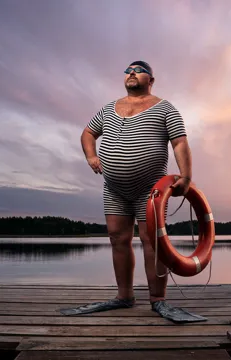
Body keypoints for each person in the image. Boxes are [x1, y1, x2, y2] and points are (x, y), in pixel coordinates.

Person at [60, 60, 206, 323]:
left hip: (149, 189)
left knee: (152, 242)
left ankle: (158, 300)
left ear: (151, 80)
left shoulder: (165, 108)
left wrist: (186, 176)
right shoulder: (108, 108)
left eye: (137, 70)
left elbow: (180, 142)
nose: (130, 73)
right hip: (114, 189)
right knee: (117, 238)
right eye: (127, 70)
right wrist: (91, 156)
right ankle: (124, 296)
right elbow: (87, 134)